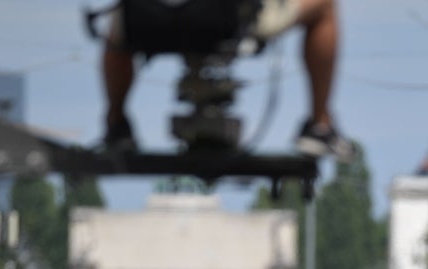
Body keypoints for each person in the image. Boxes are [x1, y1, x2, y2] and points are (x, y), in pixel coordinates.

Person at [101, 0, 352, 159]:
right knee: (323, 6)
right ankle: (319, 125)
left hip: (145, 20)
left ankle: (116, 123)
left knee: (116, 26)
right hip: (224, 18)